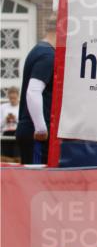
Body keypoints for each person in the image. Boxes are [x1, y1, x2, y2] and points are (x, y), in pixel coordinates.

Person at [16, 15, 56, 165]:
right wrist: (41, 129)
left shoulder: (40, 50)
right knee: (35, 183)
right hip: (36, 134)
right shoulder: (47, 55)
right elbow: (33, 91)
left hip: (31, 131)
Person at [1, 86, 20, 160]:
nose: (12, 100)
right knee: (5, 159)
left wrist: (15, 119)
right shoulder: (3, 107)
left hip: (17, 134)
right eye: (10, 98)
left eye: (14, 98)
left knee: (17, 158)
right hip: (6, 134)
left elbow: (23, 123)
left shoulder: (21, 107)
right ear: (8, 97)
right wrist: (6, 119)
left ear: (18, 96)